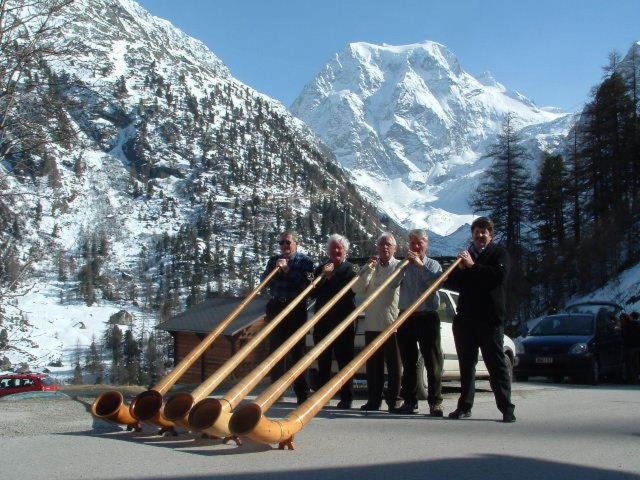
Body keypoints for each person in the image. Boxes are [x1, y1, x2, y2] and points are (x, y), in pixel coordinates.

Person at [446, 217, 516, 423]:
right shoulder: (465, 257)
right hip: (466, 319)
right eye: (477, 231)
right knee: (466, 366)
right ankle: (464, 407)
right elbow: (452, 283)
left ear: (491, 235)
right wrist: (459, 269)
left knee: (496, 365)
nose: (480, 235)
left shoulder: (499, 253)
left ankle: (507, 408)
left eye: (484, 231)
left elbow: (497, 277)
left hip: (490, 319)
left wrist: (472, 266)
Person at [393, 229, 444, 417]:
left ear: (426, 244)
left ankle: (435, 403)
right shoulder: (404, 265)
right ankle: (409, 401)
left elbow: (436, 284)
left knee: (432, 362)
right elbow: (392, 284)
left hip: (427, 316)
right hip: (406, 315)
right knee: (408, 361)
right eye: (412, 243)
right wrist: (401, 267)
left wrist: (421, 266)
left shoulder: (433, 264)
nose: (415, 246)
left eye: (419, 243)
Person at [261, 231, 314, 405]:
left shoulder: (305, 262)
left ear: (296, 244)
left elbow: (306, 286)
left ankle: (302, 393)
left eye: (288, 242)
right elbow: (264, 282)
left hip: (295, 308)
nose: (285, 246)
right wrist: (275, 270)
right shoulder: (272, 260)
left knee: (297, 351)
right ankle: (275, 392)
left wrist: (287, 270)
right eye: (282, 243)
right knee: (275, 351)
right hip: (276, 306)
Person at [353, 232, 403, 411]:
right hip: (372, 323)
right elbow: (357, 289)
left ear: (395, 248)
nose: (384, 247)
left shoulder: (400, 266)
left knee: (394, 365)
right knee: (373, 365)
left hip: (392, 323)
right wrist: (368, 269)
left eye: (388, 244)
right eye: (381, 244)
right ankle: (374, 400)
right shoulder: (370, 267)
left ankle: (394, 399)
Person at [311, 234, 358, 409]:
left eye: (340, 248)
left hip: (343, 322)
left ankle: (347, 398)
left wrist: (331, 277)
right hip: (322, 320)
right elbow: (312, 294)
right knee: (323, 361)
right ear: (328, 250)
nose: (336, 251)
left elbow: (349, 293)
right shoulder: (321, 268)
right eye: (333, 248)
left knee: (344, 360)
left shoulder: (351, 270)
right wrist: (322, 277)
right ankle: (322, 397)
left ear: (345, 251)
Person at [621, 313, 640, 384]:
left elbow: (624, 336)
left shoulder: (627, 326)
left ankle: (632, 379)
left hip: (630, 347)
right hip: (637, 346)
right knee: (636, 363)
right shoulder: (638, 325)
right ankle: (636, 378)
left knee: (630, 363)